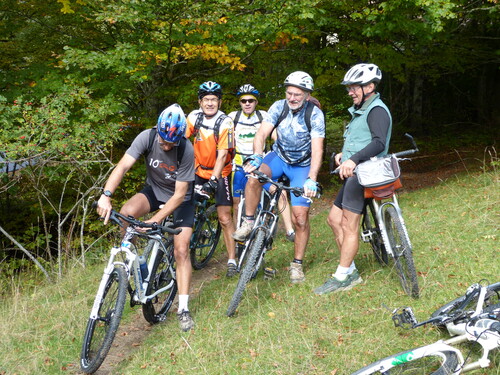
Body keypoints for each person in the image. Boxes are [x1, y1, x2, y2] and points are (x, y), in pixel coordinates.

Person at [96, 103, 196, 331]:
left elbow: (180, 195)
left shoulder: (186, 149)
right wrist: (105, 195)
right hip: (154, 190)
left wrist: (156, 220)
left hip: (181, 200)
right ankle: (130, 259)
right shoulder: (147, 137)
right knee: (125, 213)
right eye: (163, 140)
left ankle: (183, 309)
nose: (167, 145)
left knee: (181, 250)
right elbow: (122, 167)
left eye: (172, 142)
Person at [232, 71, 325, 283]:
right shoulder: (279, 107)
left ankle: (297, 264)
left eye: (297, 95)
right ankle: (247, 223)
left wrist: (312, 178)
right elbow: (261, 134)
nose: (292, 98)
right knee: (254, 177)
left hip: (302, 165)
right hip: (279, 158)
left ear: (307, 95)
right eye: (289, 93)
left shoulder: (315, 114)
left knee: (300, 218)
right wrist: (257, 156)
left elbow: (317, 149)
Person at [314, 63, 392, 295]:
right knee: (333, 220)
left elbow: (378, 143)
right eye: (349, 88)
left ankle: (342, 276)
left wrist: (353, 160)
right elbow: (361, 140)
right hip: (354, 173)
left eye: (354, 87)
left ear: (369, 86)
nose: (350, 92)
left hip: (365, 174)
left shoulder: (376, 110)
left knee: (349, 225)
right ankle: (351, 270)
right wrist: (343, 156)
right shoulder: (360, 111)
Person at [228, 84, 296, 244]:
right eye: (243, 100)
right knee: (236, 203)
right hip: (238, 166)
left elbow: (274, 134)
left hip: (259, 165)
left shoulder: (263, 116)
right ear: (239, 102)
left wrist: (282, 146)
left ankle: (290, 230)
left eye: (251, 100)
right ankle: (238, 236)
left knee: (278, 192)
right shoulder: (233, 117)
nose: (247, 103)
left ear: (256, 102)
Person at [185, 81, 238, 277]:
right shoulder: (194, 117)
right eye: (206, 99)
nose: (209, 103)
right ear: (200, 101)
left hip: (221, 172)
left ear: (220, 102)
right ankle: (196, 234)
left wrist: (214, 180)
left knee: (224, 217)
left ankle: (232, 260)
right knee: (184, 207)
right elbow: (182, 140)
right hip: (198, 170)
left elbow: (223, 154)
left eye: (213, 99)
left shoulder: (225, 122)